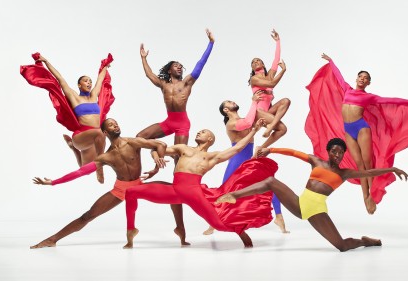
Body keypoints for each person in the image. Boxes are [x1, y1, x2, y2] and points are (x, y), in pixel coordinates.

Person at [216, 138, 408, 252]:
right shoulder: (316, 161)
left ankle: (366, 241)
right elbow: (294, 152)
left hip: (316, 209)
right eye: (334, 151)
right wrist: (270, 149)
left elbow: (368, 173)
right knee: (270, 182)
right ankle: (234, 195)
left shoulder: (344, 174)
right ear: (328, 152)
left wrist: (392, 168)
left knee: (341, 246)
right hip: (301, 204)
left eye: (341, 153)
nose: (337, 155)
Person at [30, 118, 191, 248]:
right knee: (88, 215)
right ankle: (53, 239)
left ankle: (180, 229)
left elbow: (160, 144)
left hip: (139, 185)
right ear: (105, 132)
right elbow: (80, 172)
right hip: (120, 190)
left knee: (174, 192)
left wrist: (156, 166)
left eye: (116, 123)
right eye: (111, 124)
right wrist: (54, 182)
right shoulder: (105, 157)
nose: (115, 125)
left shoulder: (132, 142)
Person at [124, 119, 279, 248]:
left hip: (194, 193)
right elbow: (157, 147)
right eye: (199, 131)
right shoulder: (183, 148)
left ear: (210, 139)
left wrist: (254, 130)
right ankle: (131, 230)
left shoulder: (212, 157)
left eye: (203, 131)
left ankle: (241, 231)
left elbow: (238, 148)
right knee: (131, 192)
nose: (199, 132)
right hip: (175, 190)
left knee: (218, 225)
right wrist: (155, 156)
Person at [305, 54, 408, 213]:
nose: (362, 79)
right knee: (359, 166)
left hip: (361, 128)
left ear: (368, 83)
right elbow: (338, 77)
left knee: (368, 163)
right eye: (360, 77)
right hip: (348, 131)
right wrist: (331, 61)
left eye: (366, 78)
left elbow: (390, 100)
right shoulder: (347, 90)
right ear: (357, 79)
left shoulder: (369, 97)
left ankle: (372, 195)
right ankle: (364, 196)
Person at [135, 29, 215, 236]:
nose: (180, 67)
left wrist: (210, 44)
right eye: (176, 66)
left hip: (181, 124)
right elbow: (149, 74)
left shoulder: (187, 82)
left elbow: (200, 65)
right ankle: (154, 163)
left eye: (181, 66)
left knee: (178, 165)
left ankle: (181, 219)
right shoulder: (163, 83)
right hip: (169, 121)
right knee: (140, 137)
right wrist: (143, 58)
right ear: (170, 70)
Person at [20, 53, 114, 181]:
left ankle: (72, 148)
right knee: (101, 133)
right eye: (86, 81)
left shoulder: (93, 97)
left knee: (85, 168)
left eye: (90, 81)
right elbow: (60, 78)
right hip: (82, 136)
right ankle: (100, 168)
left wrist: (105, 67)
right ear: (79, 85)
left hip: (93, 138)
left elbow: (100, 80)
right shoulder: (74, 97)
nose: (89, 83)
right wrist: (46, 61)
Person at [202, 98, 289, 235]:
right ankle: (212, 224)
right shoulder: (231, 124)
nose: (233, 102)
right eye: (229, 102)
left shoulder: (245, 120)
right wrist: (254, 102)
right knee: (224, 191)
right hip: (236, 161)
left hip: (250, 159)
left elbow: (254, 125)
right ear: (226, 110)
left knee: (271, 185)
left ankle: (279, 217)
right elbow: (248, 123)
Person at [249, 29, 290, 144]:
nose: (256, 62)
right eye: (253, 62)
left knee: (286, 101)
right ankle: (271, 126)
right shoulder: (254, 79)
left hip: (268, 112)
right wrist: (283, 71)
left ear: (263, 64)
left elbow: (276, 59)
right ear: (252, 68)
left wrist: (278, 41)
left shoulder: (270, 75)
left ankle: (261, 148)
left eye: (258, 60)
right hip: (259, 112)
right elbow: (272, 84)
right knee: (282, 128)